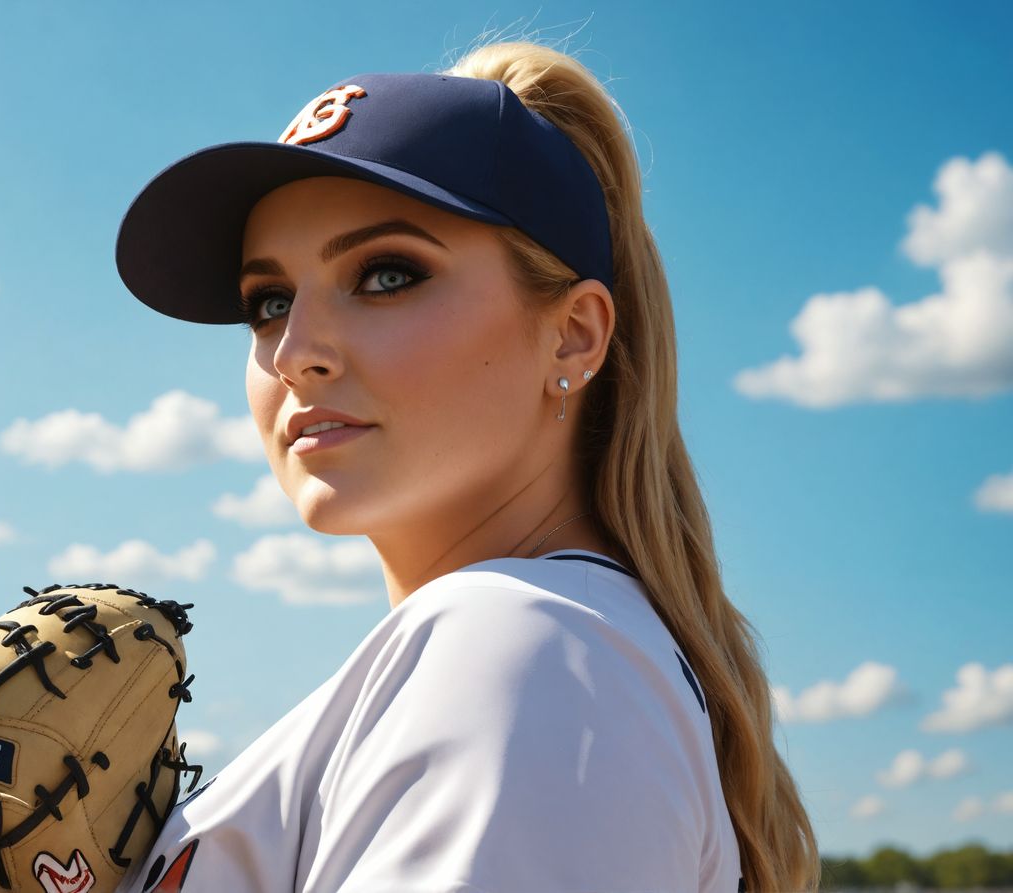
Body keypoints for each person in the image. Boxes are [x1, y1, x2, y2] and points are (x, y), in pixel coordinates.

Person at [111, 39, 819, 893]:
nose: (296, 351)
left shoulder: (525, 649)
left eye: (386, 274)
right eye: (269, 301)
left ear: (574, 333)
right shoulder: (532, 651)